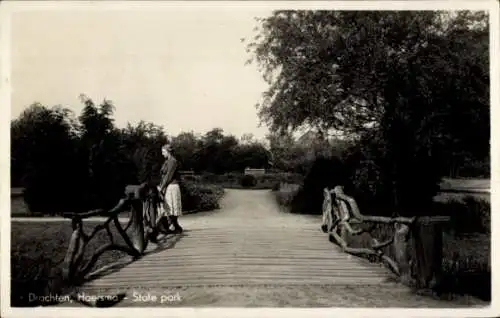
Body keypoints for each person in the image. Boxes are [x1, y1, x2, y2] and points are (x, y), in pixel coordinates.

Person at [157, 143, 183, 234]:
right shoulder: (167, 161)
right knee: (167, 207)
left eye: (163, 151)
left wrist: (161, 187)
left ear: (168, 152)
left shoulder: (173, 161)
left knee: (171, 207)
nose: (162, 153)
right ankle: (169, 227)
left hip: (172, 186)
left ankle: (175, 227)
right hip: (167, 186)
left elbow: (169, 176)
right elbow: (163, 175)